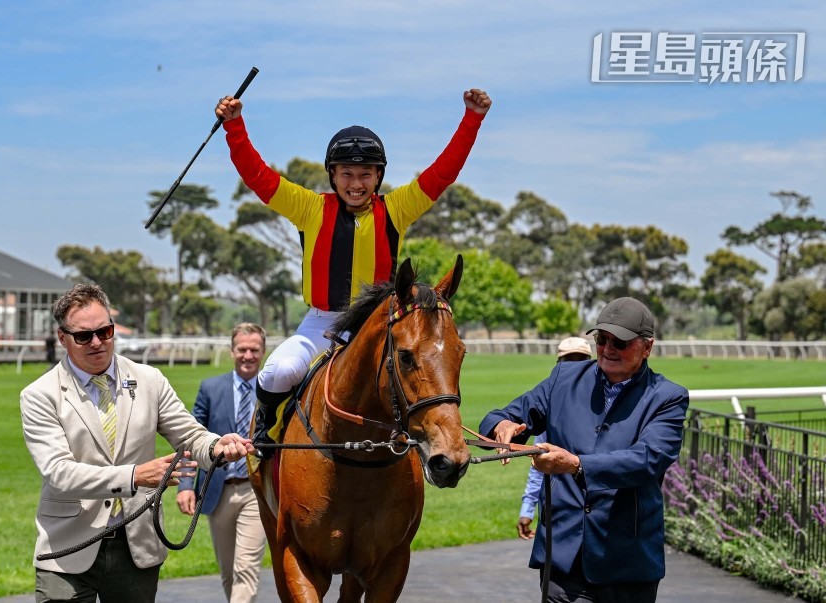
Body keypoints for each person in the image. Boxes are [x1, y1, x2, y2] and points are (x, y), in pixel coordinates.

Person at [216, 86, 493, 451]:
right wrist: (235, 127)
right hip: (321, 324)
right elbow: (258, 176)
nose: (356, 184)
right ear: (333, 176)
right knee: (279, 371)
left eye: (366, 174)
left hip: (377, 326)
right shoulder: (309, 208)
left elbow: (443, 173)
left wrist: (472, 119)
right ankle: (266, 436)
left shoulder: (397, 209)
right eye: (347, 174)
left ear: (378, 177)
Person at [20, 283, 254, 603]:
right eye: (84, 336)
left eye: (105, 331)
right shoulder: (38, 395)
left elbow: (190, 435)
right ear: (63, 338)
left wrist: (216, 446)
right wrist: (134, 477)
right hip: (66, 550)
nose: (98, 342)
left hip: (138, 546)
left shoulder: (150, 379)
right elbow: (59, 474)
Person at [480, 297, 688, 602]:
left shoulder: (668, 398)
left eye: (621, 342)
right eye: (602, 339)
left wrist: (577, 464)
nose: (608, 349)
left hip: (626, 567)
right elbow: (506, 415)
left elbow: (647, 460)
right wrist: (503, 425)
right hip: (562, 562)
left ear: (647, 347)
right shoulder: (564, 378)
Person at [176, 323, 267, 603]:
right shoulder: (210, 389)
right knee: (229, 572)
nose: (248, 355)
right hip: (218, 490)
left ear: (263, 352)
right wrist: (186, 484)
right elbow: (190, 439)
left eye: (254, 350)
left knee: (245, 568)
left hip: (258, 490)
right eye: (242, 349)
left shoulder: (275, 390)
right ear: (232, 351)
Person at [516, 336, 593, 540]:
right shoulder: (551, 403)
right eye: (568, 361)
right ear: (558, 365)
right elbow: (538, 462)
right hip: (558, 508)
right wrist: (527, 509)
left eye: (581, 361)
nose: (574, 368)